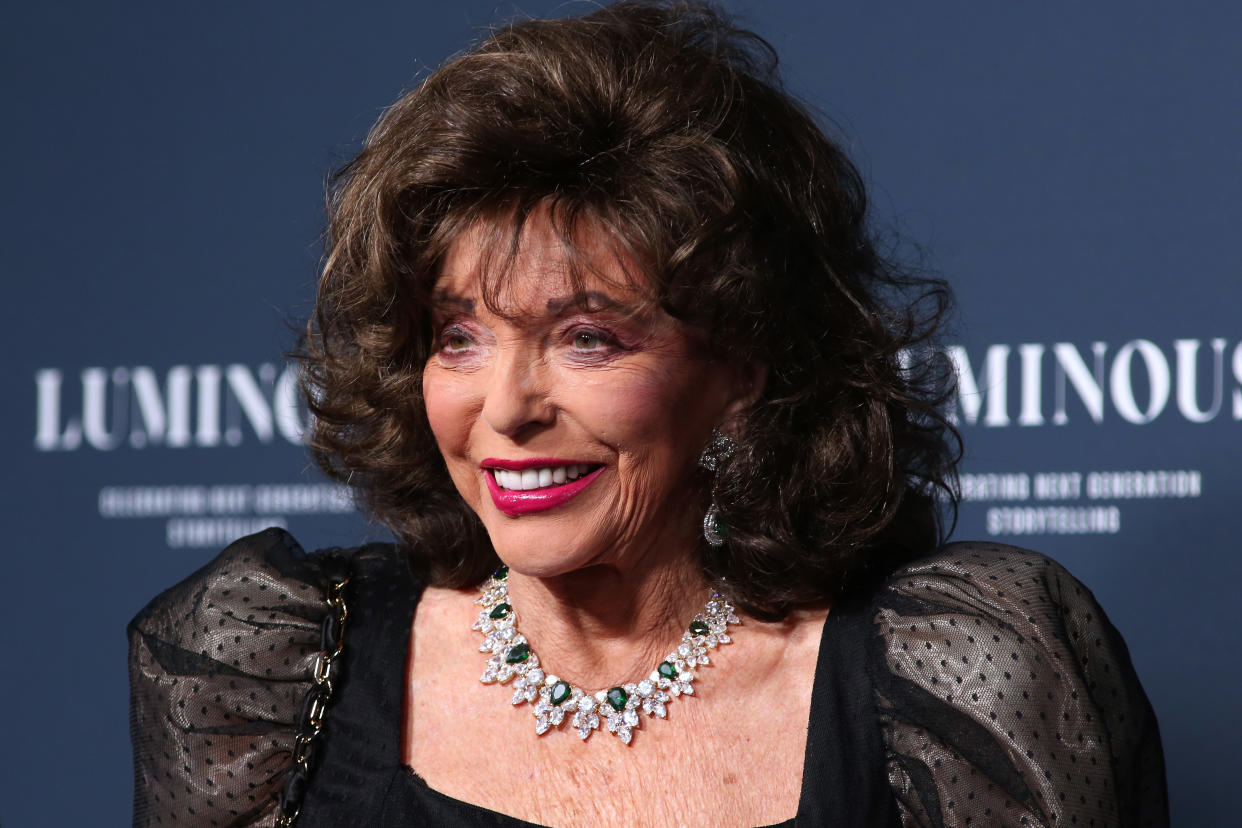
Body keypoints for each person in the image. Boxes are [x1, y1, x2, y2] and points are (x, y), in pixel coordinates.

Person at [127, 2, 1168, 826]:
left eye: (589, 338)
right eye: (459, 336)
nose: (508, 408)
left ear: (744, 366)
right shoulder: (270, 676)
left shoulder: (957, 690)